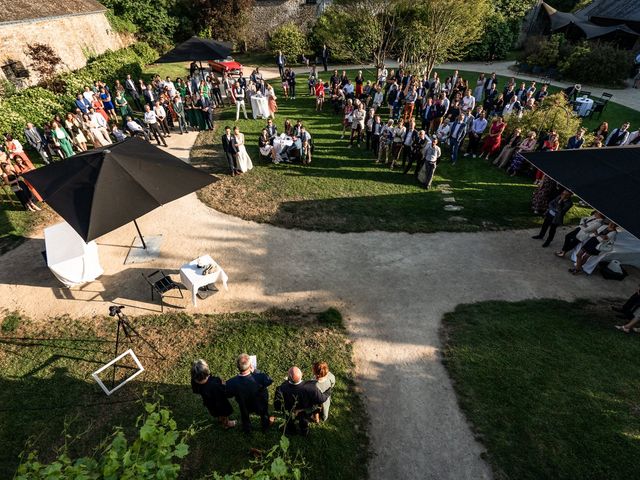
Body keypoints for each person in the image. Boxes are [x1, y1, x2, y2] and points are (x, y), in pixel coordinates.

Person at [274, 366, 332, 436]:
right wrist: (328, 391)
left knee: (289, 420)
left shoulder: (282, 388)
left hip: (289, 410)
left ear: (288, 377)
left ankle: (292, 430)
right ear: (302, 375)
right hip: (305, 410)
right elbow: (321, 399)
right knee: (304, 421)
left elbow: (277, 405)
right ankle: (304, 432)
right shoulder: (311, 387)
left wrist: (285, 409)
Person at [226, 353, 274, 434]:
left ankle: (247, 430)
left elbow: (228, 394)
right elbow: (269, 381)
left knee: (245, 416)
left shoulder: (232, 382)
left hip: (244, 404)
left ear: (238, 366)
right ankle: (265, 428)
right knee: (264, 414)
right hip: (260, 402)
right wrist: (255, 371)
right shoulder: (259, 377)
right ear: (250, 365)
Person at [191, 359, 236, 429]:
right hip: (220, 403)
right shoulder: (214, 383)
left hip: (209, 403)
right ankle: (226, 424)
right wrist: (223, 384)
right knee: (223, 413)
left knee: (216, 412)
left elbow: (195, 390)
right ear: (206, 373)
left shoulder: (194, 381)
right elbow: (223, 391)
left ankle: (220, 418)